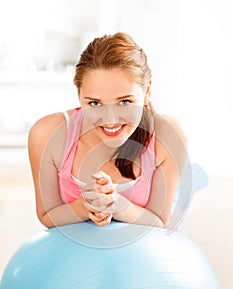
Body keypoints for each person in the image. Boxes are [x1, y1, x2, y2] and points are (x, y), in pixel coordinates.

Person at [28, 32, 188, 229]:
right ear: (79, 95)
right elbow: (46, 215)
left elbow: (160, 220)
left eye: (125, 102)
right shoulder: (46, 133)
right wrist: (86, 206)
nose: (110, 120)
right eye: (95, 103)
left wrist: (116, 204)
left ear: (147, 91)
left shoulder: (169, 135)